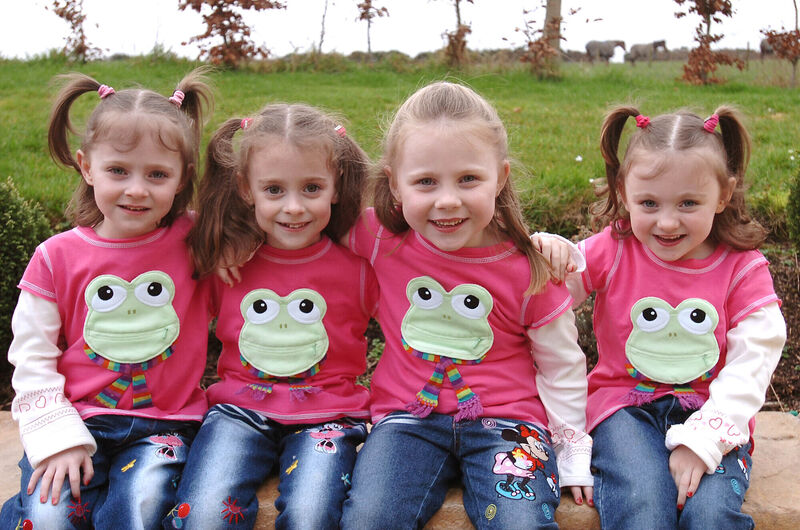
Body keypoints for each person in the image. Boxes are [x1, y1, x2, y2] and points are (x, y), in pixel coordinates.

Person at [340, 81, 593, 529]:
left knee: (521, 522)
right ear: (394, 186)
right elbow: (303, 226)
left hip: (509, 423)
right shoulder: (381, 238)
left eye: (469, 179)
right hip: (406, 420)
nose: (448, 200)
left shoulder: (528, 268)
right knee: (370, 517)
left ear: (502, 177)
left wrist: (571, 450)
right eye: (425, 182)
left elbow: (562, 364)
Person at [536, 106, 787, 528]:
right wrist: (545, 251)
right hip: (623, 411)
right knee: (642, 503)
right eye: (649, 203)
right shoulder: (613, 249)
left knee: (710, 514)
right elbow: (549, 289)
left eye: (689, 203)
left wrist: (706, 438)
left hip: (712, 411)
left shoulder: (741, 268)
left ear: (724, 194)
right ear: (623, 189)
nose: (667, 222)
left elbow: (755, 358)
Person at [0, 70, 214, 530]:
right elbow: (32, 355)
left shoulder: (198, 242)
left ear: (182, 179)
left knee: (140, 507)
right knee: (47, 513)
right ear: (86, 165)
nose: (137, 189)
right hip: (79, 421)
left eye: (157, 174)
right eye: (118, 170)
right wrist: (57, 438)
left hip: (167, 426)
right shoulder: (55, 257)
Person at [163, 103, 378, 529]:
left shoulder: (359, 266)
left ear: (337, 186)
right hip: (238, 412)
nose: (294, 207)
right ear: (246, 188)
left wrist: (533, 243)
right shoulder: (227, 261)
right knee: (203, 513)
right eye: (274, 190)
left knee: (312, 514)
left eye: (312, 188)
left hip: (330, 417)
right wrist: (219, 238)